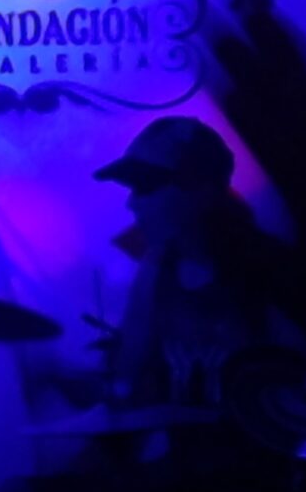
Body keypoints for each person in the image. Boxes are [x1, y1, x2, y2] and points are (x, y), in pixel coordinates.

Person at [94, 115, 285, 407]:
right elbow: (125, 380)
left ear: (200, 187)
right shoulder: (157, 266)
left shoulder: (271, 267)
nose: (132, 203)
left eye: (145, 185)